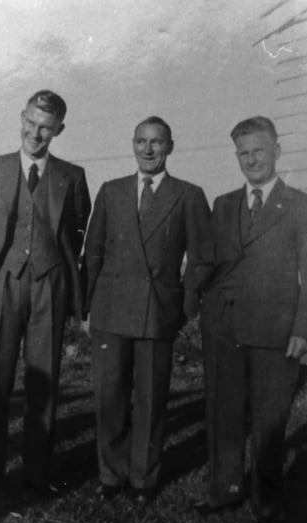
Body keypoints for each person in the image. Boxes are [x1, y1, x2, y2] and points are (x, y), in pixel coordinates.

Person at [194, 116, 307, 523]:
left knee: (270, 419)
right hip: (225, 328)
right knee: (225, 414)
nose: (251, 160)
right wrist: (205, 312)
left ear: (276, 152)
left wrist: (304, 329)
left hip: (276, 332)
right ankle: (226, 490)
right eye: (243, 153)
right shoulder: (223, 204)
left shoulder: (303, 205)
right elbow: (211, 264)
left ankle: (266, 497)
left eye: (259, 151)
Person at [84, 116, 211, 502]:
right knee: (110, 398)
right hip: (111, 310)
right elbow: (93, 252)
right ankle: (110, 474)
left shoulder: (188, 194)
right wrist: (88, 308)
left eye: (157, 142)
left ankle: (143, 479)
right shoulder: (111, 191)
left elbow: (203, 258)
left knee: (152, 400)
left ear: (170, 147)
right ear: (133, 144)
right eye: (141, 141)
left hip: (158, 312)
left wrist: (184, 307)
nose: (148, 149)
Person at [0, 90, 91, 498]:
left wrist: (55, 272)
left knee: (45, 382)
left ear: (58, 129)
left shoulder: (71, 176)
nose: (35, 133)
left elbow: (76, 233)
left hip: (49, 285)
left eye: (45, 127)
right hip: (5, 283)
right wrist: (0, 270)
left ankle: (37, 472)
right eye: (30, 122)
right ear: (20, 117)